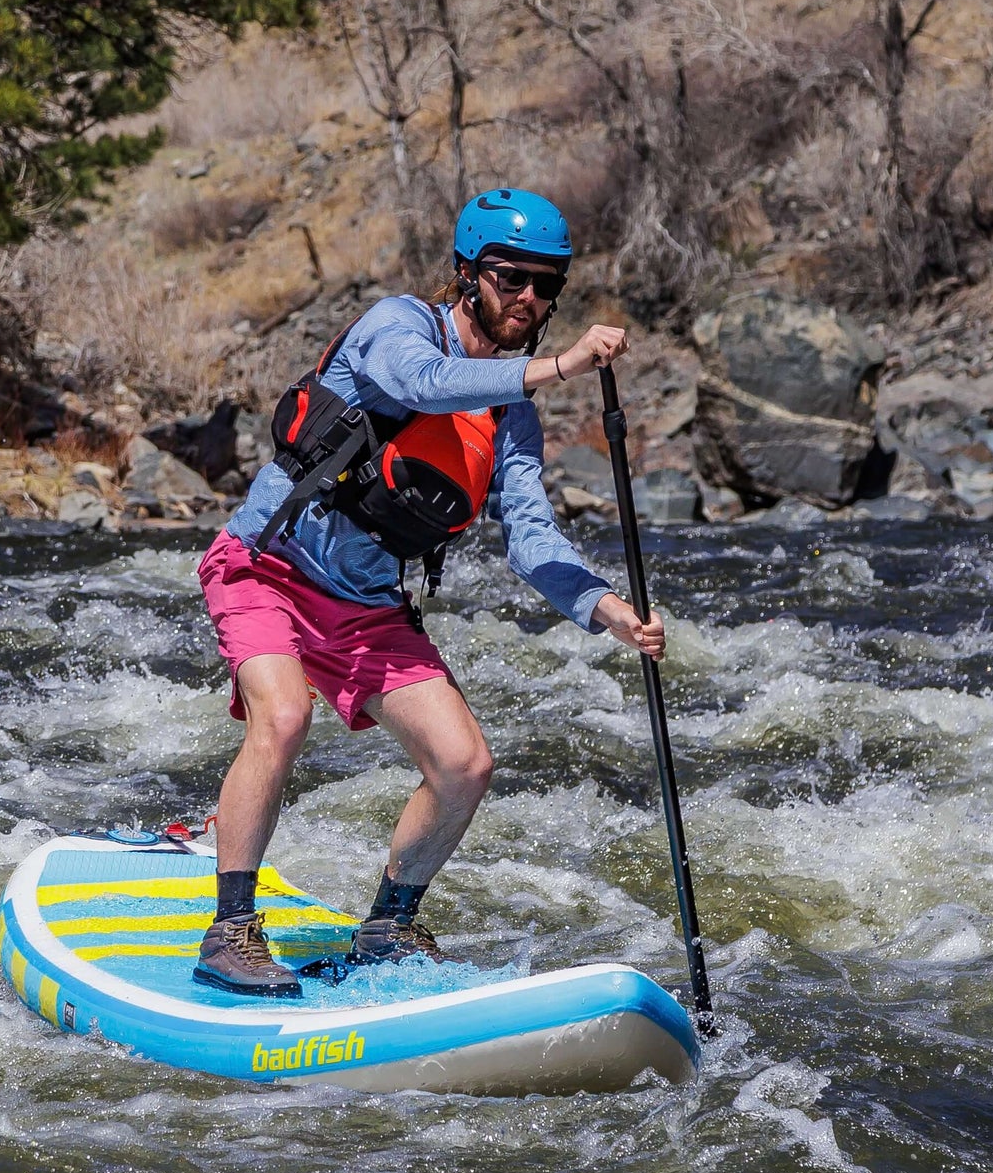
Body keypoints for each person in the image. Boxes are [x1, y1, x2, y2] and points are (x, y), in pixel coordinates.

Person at [193, 188, 666, 998]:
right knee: (284, 713)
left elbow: (533, 538)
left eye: (545, 285)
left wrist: (603, 608)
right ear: (467, 274)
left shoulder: (511, 412)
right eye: (510, 277)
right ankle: (229, 930)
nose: (528, 298)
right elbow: (423, 384)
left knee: (465, 764)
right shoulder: (399, 326)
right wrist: (560, 369)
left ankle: (387, 927)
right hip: (267, 565)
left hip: (366, 605)